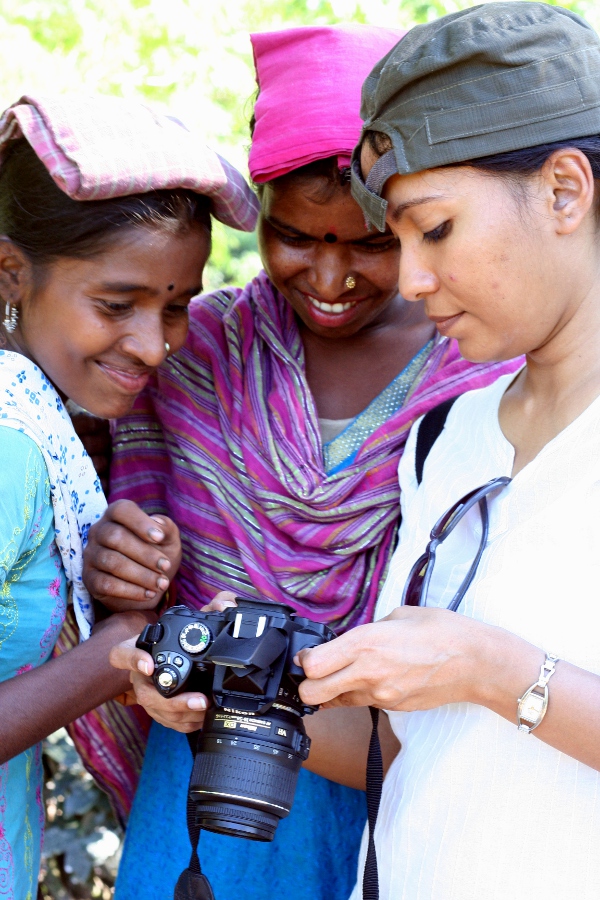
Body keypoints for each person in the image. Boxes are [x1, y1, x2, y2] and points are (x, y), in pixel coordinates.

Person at [87, 25, 521, 900]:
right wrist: (119, 572)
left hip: (397, 771)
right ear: (258, 212)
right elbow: (132, 564)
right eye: (295, 237)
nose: (329, 276)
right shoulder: (196, 350)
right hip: (208, 769)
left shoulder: (487, 375)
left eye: (369, 243)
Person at [0, 92, 257, 900]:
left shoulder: (41, 420)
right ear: (10, 271)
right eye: (116, 306)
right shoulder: (11, 444)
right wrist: (130, 642)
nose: (154, 346)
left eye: (177, 308)